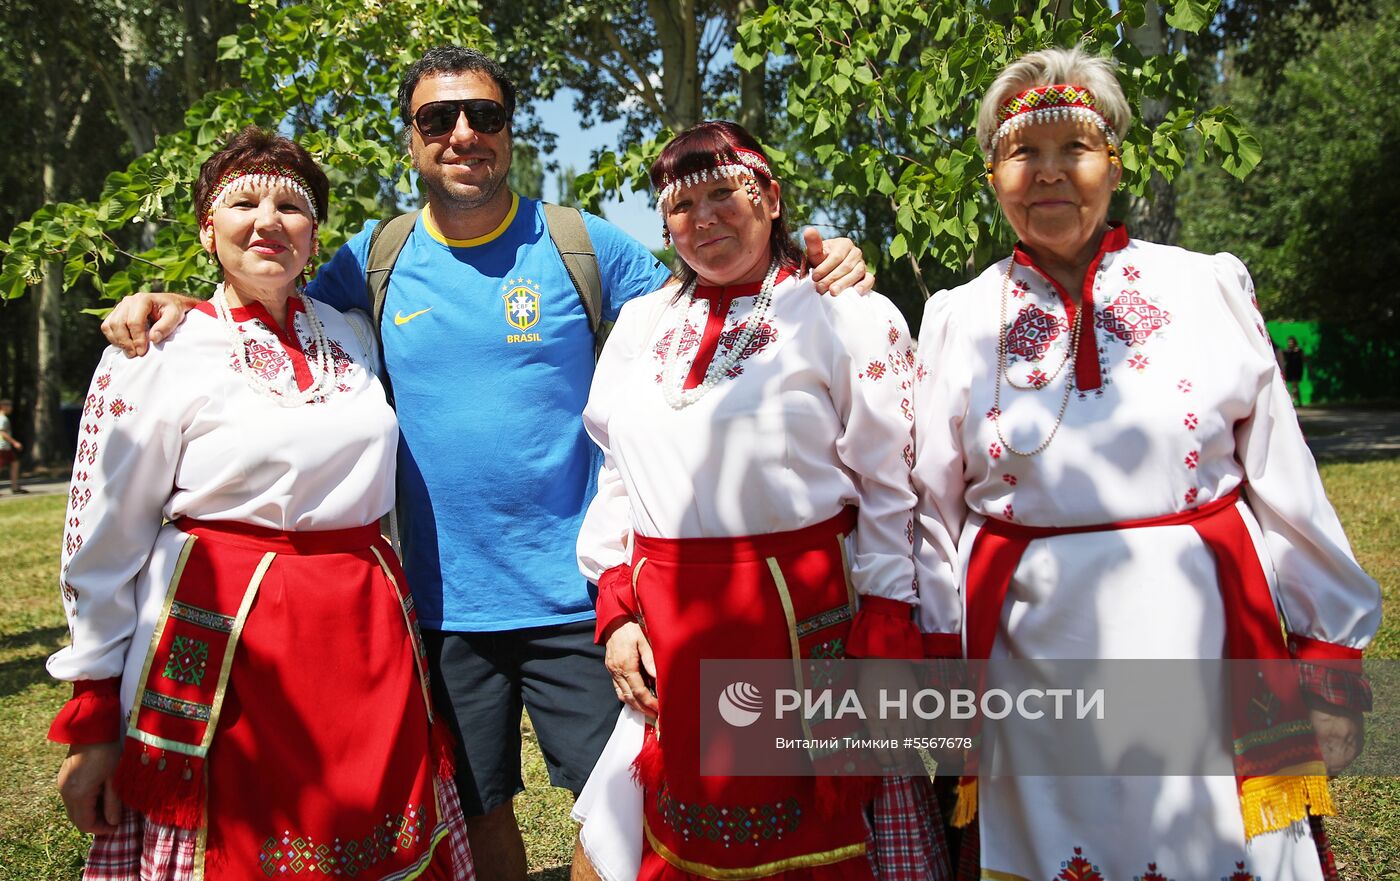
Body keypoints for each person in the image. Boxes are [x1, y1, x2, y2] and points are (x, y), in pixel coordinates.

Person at [98, 47, 875, 881]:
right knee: (477, 805)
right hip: (437, 605)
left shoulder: (582, 242)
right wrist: (179, 303)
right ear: (412, 139)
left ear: (510, 131)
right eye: (439, 118)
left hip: (580, 602)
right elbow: (268, 296)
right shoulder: (373, 256)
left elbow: (710, 283)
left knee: (618, 796)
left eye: (485, 116)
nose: (463, 133)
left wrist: (820, 263)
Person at [910, 46, 1380, 881]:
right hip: (1034, 663)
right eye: (1024, 152)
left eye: (1075, 150)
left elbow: (1283, 478)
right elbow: (932, 515)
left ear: (1115, 164)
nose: (1050, 173)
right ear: (993, 173)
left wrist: (1332, 660)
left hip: (1207, 644)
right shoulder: (957, 318)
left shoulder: (1205, 287)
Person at [47, 127, 473, 879]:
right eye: (242, 203)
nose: (267, 220)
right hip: (230, 645)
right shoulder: (158, 352)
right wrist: (92, 709)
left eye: (291, 206)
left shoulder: (351, 335)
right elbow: (102, 535)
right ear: (208, 230)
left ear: (316, 235)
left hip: (364, 634)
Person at [573, 120, 947, 881]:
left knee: (815, 842)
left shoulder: (843, 314)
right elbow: (619, 473)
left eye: (724, 194)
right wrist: (614, 608)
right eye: (682, 205)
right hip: (670, 631)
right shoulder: (644, 325)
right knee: (651, 836)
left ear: (771, 199)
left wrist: (885, 615)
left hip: (800, 626)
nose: (704, 219)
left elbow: (892, 483)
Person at [0, 399, 25, 494]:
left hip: (6, 447)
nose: (11, 408)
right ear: (3, 406)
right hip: (2, 446)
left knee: (15, 463)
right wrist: (14, 442)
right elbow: (2, 432)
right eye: (9, 406)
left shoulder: (4, 418)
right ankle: (14, 486)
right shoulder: (2, 418)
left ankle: (15, 487)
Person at [1284, 335, 1306, 405]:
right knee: (1295, 386)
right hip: (1290, 370)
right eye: (1289, 342)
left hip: (1297, 370)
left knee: (1295, 385)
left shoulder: (1299, 351)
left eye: (1291, 342)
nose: (1290, 343)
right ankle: (1299, 402)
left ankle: (1292, 400)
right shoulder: (1287, 352)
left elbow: (1303, 359)